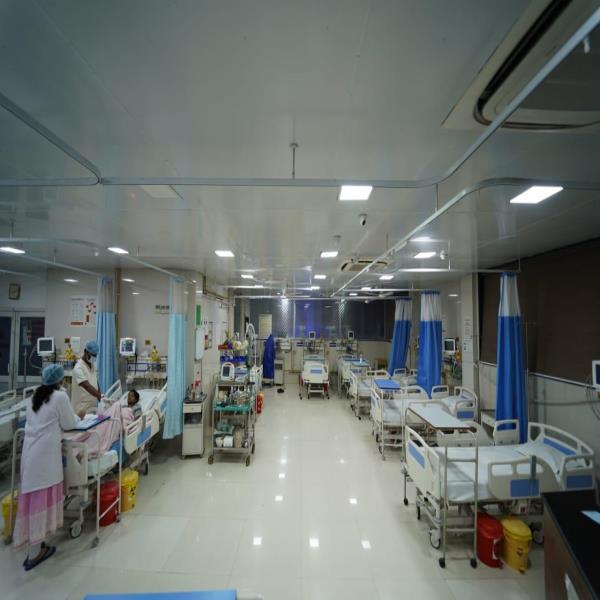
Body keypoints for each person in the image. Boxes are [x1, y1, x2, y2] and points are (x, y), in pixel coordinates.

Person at [13, 364, 85, 570]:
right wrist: (80, 415)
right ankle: (35, 553)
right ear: (60, 380)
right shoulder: (60, 397)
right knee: (41, 500)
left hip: (30, 453)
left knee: (33, 500)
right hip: (44, 456)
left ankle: (37, 545)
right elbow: (69, 424)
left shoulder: (35, 395)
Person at [71, 340, 100, 414]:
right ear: (85, 351)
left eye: (95, 355)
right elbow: (86, 386)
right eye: (92, 355)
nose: (94, 357)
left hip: (92, 406)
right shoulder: (79, 368)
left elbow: (96, 382)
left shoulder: (93, 365)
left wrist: (100, 398)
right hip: (81, 409)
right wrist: (100, 396)